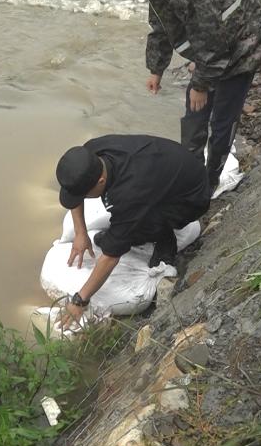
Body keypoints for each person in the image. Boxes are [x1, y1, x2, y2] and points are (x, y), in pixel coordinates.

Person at [107, 0, 261, 193]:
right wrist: (156, 69)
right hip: (216, 41)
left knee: (221, 118)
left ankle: (211, 180)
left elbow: (213, 42)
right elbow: (162, 26)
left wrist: (201, 83)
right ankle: (191, 173)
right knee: (195, 111)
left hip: (245, 38)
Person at [56, 134, 211, 323]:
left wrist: (80, 301)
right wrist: (80, 233)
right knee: (123, 212)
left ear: (101, 181)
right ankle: (128, 231)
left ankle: (165, 240)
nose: (81, 198)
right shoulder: (91, 154)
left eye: (84, 194)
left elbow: (111, 257)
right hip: (167, 169)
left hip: (192, 197)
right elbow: (77, 191)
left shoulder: (131, 193)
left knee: (135, 220)